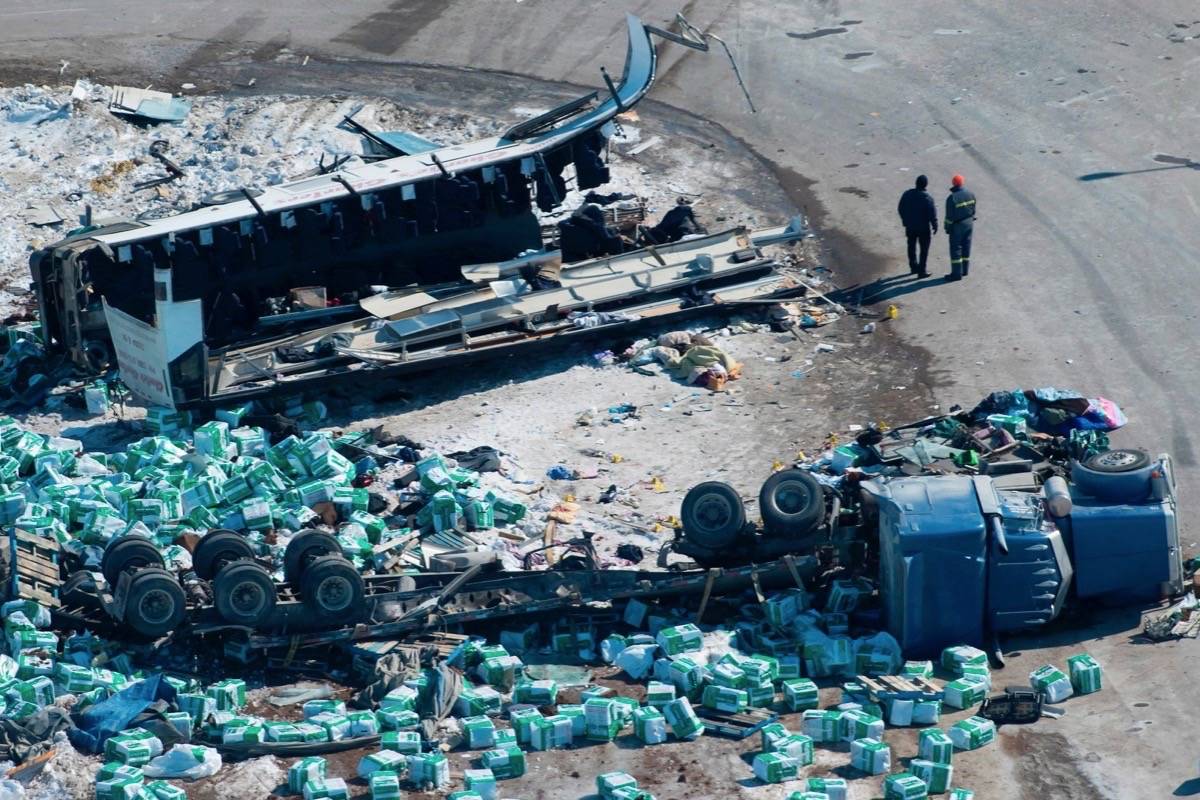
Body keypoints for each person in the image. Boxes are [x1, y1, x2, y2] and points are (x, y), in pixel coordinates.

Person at [896, 175, 938, 276]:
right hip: (923, 228)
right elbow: (932, 214)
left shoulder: (907, 194)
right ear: (925, 185)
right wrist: (935, 225)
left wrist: (905, 221)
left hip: (910, 227)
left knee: (911, 246)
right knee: (924, 249)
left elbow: (900, 208)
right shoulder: (927, 198)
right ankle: (922, 270)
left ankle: (913, 267)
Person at [944, 174, 977, 281]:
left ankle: (956, 274)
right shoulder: (971, 194)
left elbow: (949, 217)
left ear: (953, 183)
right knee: (966, 246)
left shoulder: (952, 198)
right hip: (969, 223)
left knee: (956, 249)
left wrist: (947, 227)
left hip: (957, 226)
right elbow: (973, 210)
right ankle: (965, 270)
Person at [643, 197, 707, 244]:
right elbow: (696, 223)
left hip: (672, 236)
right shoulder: (686, 210)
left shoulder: (671, 213)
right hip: (681, 236)